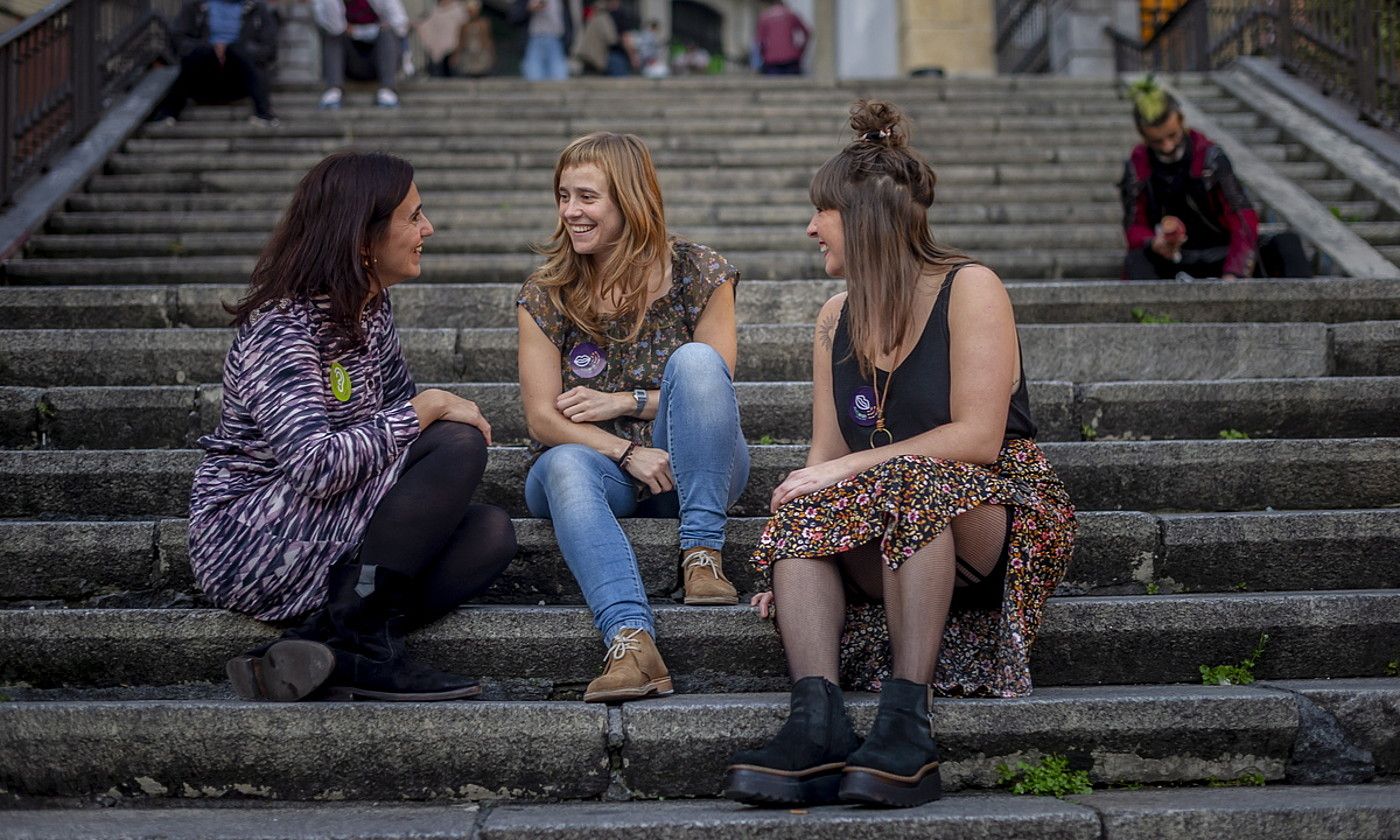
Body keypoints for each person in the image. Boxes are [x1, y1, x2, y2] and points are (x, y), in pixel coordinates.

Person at [723, 101, 1077, 808]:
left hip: (990, 511)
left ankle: (907, 726)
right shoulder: (834, 319)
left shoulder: (970, 288)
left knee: (910, 483)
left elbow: (978, 439)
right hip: (889, 521)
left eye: (821, 212)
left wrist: (847, 470)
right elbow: (822, 456)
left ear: (863, 221)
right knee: (804, 504)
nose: (810, 228)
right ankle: (816, 725)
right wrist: (802, 558)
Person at [189, 151, 517, 702]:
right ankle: (364, 644)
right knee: (455, 443)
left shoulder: (369, 308)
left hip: (330, 526)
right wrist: (428, 407)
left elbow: (393, 420)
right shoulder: (282, 327)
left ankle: (331, 641)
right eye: (413, 217)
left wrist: (418, 414)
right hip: (250, 535)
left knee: (490, 535)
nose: (427, 229)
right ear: (362, 238)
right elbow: (314, 466)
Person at [517, 132, 749, 704]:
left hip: (693, 463)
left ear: (631, 199)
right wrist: (622, 449)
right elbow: (542, 419)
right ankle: (630, 640)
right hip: (601, 470)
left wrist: (625, 402)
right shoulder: (547, 292)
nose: (571, 211)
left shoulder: (701, 271)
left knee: (696, 361)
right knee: (565, 463)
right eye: (564, 196)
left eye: (588, 197)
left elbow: (713, 388)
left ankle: (702, 556)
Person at [1120, 77, 1312, 280]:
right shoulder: (1137, 167)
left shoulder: (1210, 157)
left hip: (1222, 253)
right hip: (1173, 259)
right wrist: (1153, 242)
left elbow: (1242, 217)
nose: (1167, 146)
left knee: (1287, 243)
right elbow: (1133, 227)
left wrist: (1234, 272)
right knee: (1136, 259)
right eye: (1157, 141)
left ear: (1182, 121)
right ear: (1143, 135)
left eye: (1172, 136)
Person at [151, 0, 279, 127]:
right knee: (198, 55)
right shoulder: (194, 7)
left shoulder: (258, 9)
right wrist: (212, 49)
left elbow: (269, 49)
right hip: (203, 73)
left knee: (238, 51)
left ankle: (264, 113)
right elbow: (178, 41)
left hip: (241, 76)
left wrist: (233, 50)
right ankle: (167, 114)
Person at [312, 0, 409, 108]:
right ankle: (334, 90)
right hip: (348, 63)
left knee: (387, 33)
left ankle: (388, 89)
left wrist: (358, 31)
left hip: (379, 62)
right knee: (333, 35)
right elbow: (335, 27)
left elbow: (401, 26)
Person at [512, 0, 573, 81]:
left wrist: (568, 40)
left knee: (560, 79)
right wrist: (528, 8)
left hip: (556, 42)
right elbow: (514, 17)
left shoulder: (562, 2)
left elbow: (567, 21)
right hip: (534, 41)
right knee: (533, 79)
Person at [414, 0, 468, 77]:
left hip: (453, 50)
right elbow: (428, 26)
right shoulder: (435, 10)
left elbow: (463, 30)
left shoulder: (458, 9)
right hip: (437, 52)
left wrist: (458, 50)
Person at [755, 0, 809, 75]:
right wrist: (801, 50)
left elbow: (760, 41)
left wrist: (764, 55)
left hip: (772, 60)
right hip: (792, 58)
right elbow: (806, 32)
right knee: (793, 85)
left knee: (774, 85)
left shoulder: (765, 17)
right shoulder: (791, 15)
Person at [455, 0, 496, 78]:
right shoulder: (464, 25)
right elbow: (461, 41)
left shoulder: (484, 23)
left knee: (483, 74)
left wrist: (491, 53)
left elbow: (487, 39)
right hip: (468, 54)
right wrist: (456, 54)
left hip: (481, 54)